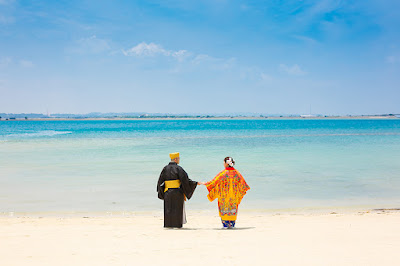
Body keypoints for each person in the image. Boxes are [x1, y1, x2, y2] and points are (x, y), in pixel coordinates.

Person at [199, 157, 250, 228]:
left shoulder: (223, 173)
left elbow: (214, 182)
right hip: (233, 196)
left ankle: (225, 225)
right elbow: (243, 184)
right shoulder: (237, 173)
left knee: (224, 209)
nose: (223, 164)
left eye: (224, 162)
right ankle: (232, 224)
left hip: (224, 196)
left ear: (226, 163)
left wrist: (205, 183)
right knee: (233, 208)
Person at [157, 152, 198, 228]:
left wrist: (162, 192)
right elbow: (185, 180)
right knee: (177, 209)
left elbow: (160, 182)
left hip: (167, 192)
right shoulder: (179, 168)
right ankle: (177, 225)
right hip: (177, 192)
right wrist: (195, 183)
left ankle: (168, 225)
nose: (179, 160)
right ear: (176, 159)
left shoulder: (165, 168)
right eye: (179, 158)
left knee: (168, 208)